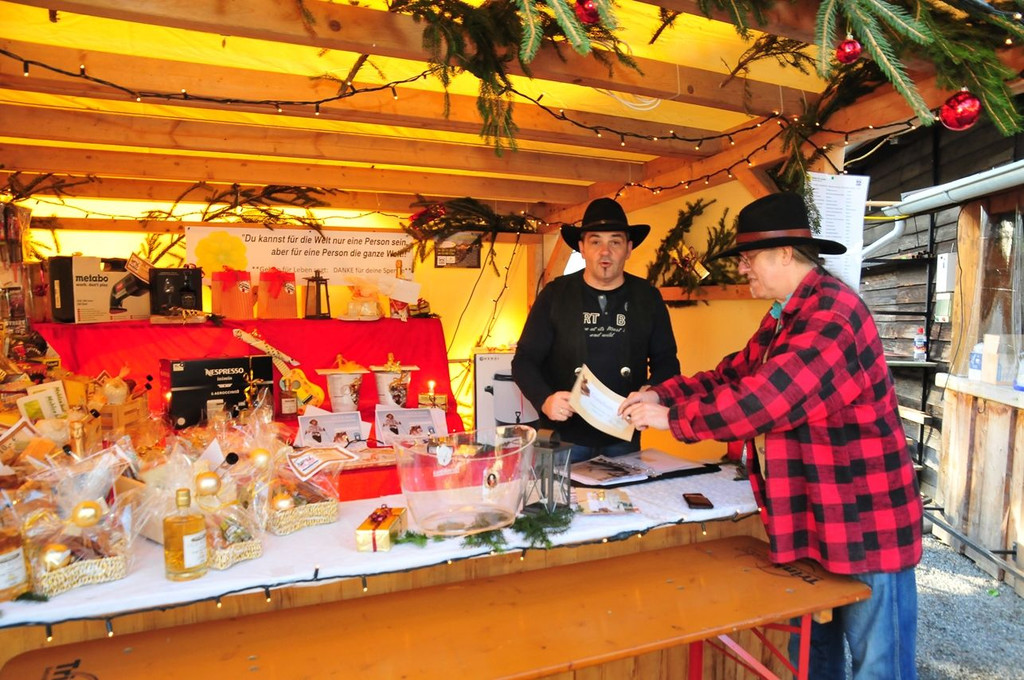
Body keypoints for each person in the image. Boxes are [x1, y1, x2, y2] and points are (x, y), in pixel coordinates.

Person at [618, 192, 923, 679]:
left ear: (785, 253)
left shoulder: (833, 315)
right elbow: (731, 375)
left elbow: (765, 400)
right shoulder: (786, 314)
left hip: (866, 521)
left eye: (749, 257)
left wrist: (671, 419)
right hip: (817, 518)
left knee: (879, 668)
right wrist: (661, 393)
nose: (742, 269)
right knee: (813, 659)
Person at [512, 197, 679, 462]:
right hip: (564, 435)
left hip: (623, 434)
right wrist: (545, 400)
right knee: (562, 492)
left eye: (615, 242)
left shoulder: (647, 297)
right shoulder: (555, 295)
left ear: (629, 248)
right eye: (595, 242)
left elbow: (668, 362)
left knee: (624, 491)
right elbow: (524, 360)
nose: (605, 252)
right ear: (581, 248)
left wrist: (653, 392)